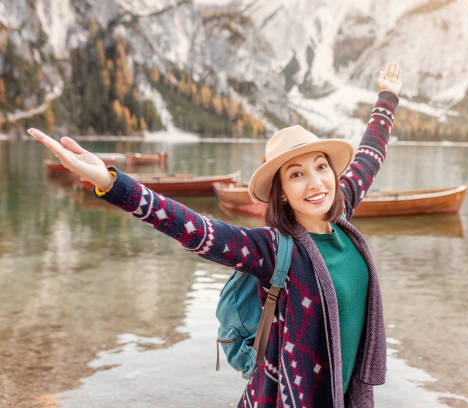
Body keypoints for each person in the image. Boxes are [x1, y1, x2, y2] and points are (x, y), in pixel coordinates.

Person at [29, 61, 401, 408]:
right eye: (296, 174)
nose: (316, 181)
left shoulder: (341, 213)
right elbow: (195, 229)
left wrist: (387, 97)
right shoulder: (273, 248)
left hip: (347, 394)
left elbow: (370, 154)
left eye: (321, 167)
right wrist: (111, 183)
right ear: (282, 193)